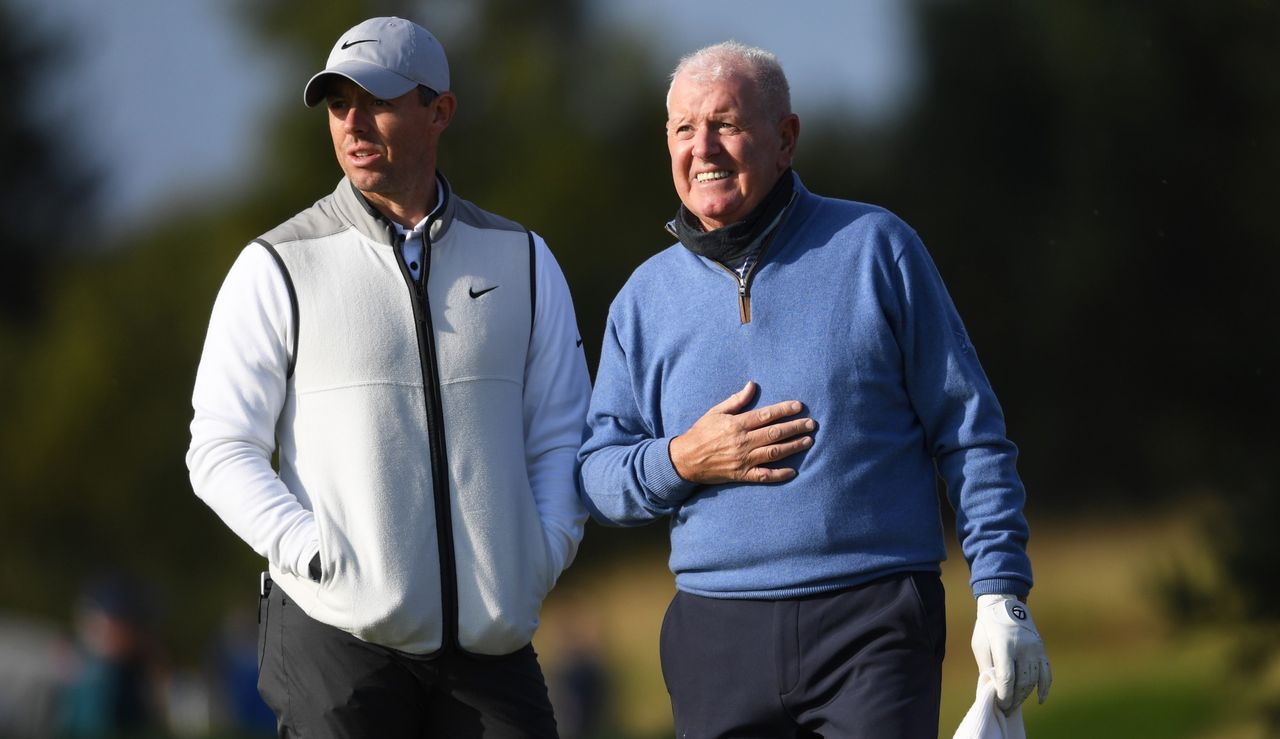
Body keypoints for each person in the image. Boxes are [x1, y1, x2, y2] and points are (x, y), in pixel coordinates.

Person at [577, 41, 1051, 738]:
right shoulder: (642, 299)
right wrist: (683, 458)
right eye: (684, 129)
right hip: (715, 632)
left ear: (785, 138)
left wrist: (1002, 590)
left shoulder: (875, 247)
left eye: (727, 123)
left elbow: (969, 427)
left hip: (875, 619)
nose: (702, 147)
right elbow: (597, 473)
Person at [186, 16, 591, 738]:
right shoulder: (277, 264)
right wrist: (313, 553)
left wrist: (544, 546)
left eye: (376, 100)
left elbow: (562, 427)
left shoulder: (523, 258)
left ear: (439, 111)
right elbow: (219, 447)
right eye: (339, 105)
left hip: (490, 641)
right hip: (337, 638)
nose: (353, 121)